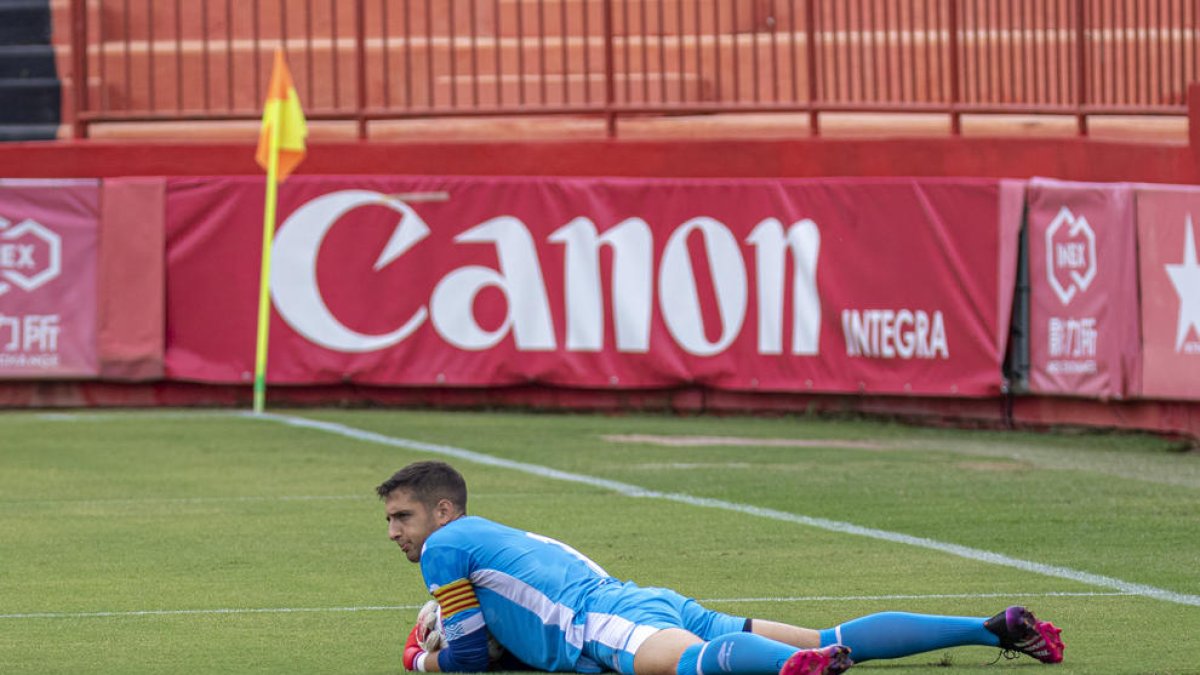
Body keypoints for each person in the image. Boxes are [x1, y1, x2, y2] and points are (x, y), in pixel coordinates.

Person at [378, 461, 1064, 675]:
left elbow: (466, 657)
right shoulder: (504, 535)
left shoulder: (446, 546)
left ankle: (787, 669)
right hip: (645, 599)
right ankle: (990, 629)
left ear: (441, 510)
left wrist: (419, 660)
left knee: (698, 665)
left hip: (606, 620)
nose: (394, 533)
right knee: (827, 635)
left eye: (402, 517)